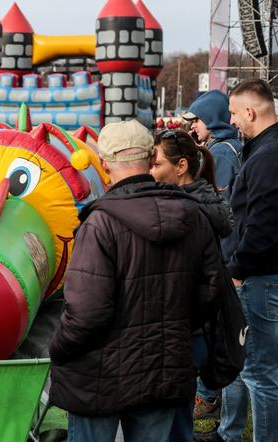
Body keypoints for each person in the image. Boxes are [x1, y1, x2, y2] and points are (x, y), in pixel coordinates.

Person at [49, 119, 225, 442]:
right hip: (164, 368)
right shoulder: (191, 215)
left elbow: (86, 313)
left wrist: (58, 347)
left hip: (99, 376)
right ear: (149, 159)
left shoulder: (99, 224)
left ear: (104, 164)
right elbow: (210, 294)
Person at [150, 129, 233, 442]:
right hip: (197, 332)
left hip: (181, 328)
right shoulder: (207, 202)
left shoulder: (182, 213)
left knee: (165, 419)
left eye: (156, 165)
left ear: (181, 166)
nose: (150, 172)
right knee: (179, 416)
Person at [209, 78, 278, 442]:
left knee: (261, 373)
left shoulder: (267, 154)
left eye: (234, 113)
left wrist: (237, 269)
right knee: (255, 368)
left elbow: (263, 223)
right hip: (260, 275)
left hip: (259, 277)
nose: (232, 121)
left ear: (250, 111)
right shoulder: (263, 149)